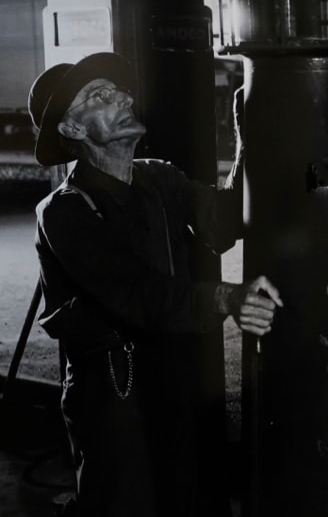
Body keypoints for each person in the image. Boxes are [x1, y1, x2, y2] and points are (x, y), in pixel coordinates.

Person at [27, 52, 282, 517]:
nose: (123, 96)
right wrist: (226, 296)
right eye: (101, 95)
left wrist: (248, 139)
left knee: (192, 497)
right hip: (113, 394)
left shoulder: (158, 178)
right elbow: (136, 294)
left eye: (120, 89)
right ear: (73, 130)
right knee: (129, 500)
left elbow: (224, 222)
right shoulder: (64, 211)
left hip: (178, 379)